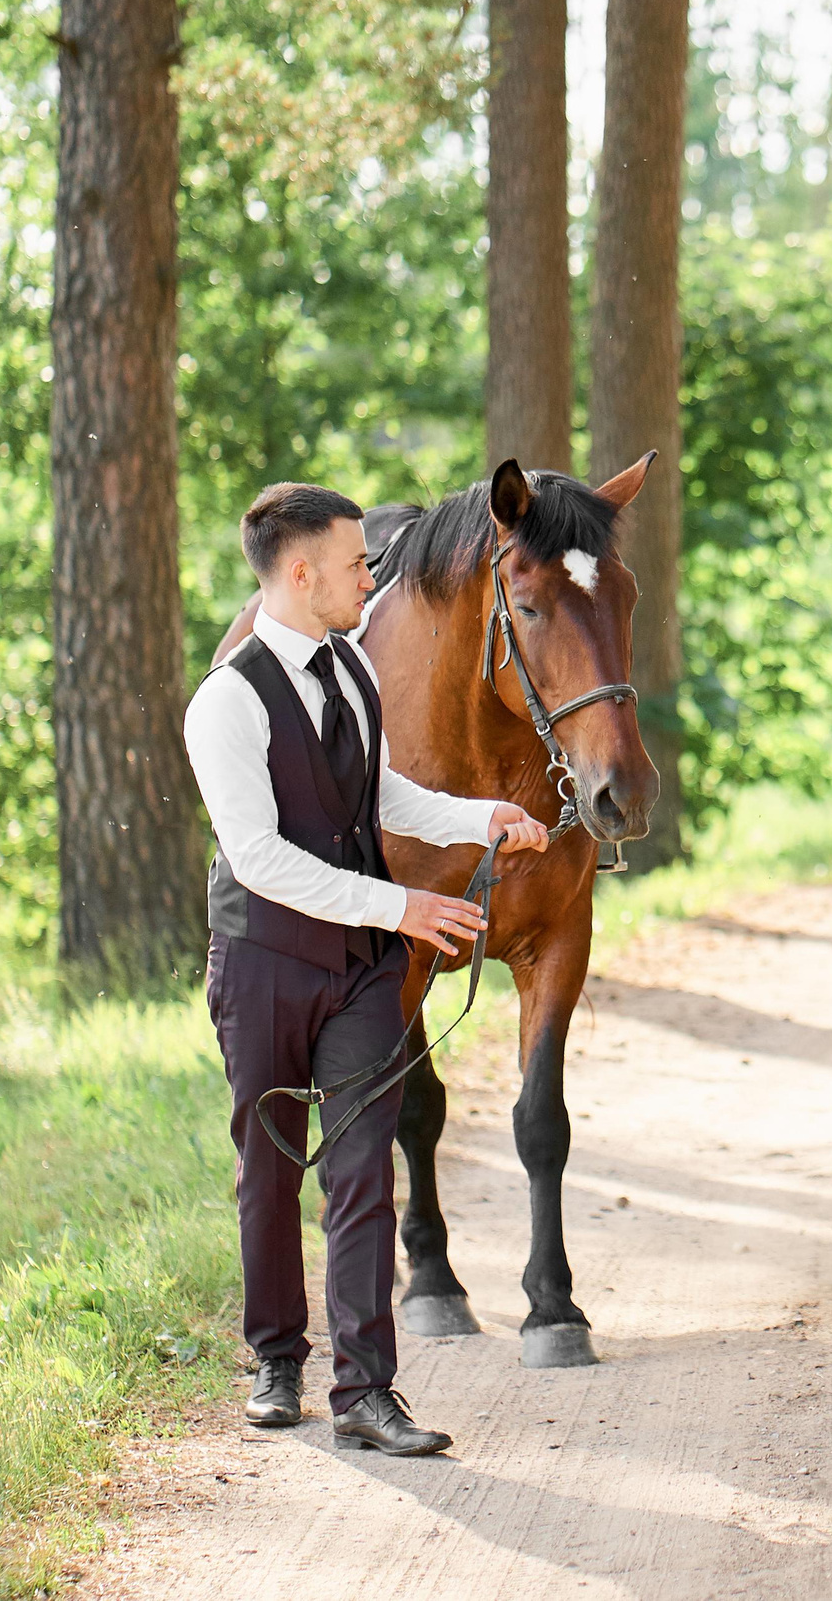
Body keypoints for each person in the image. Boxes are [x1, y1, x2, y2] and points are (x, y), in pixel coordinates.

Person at [184, 483, 551, 1454]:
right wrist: (405, 906)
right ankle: (275, 1359)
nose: (370, 574)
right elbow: (258, 856)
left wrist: (481, 819)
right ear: (299, 574)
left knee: (361, 1173)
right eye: (355, 562)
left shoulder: (351, 668)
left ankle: (366, 1392)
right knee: (269, 1170)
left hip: (357, 968)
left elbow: (380, 789)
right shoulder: (224, 701)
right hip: (264, 961)